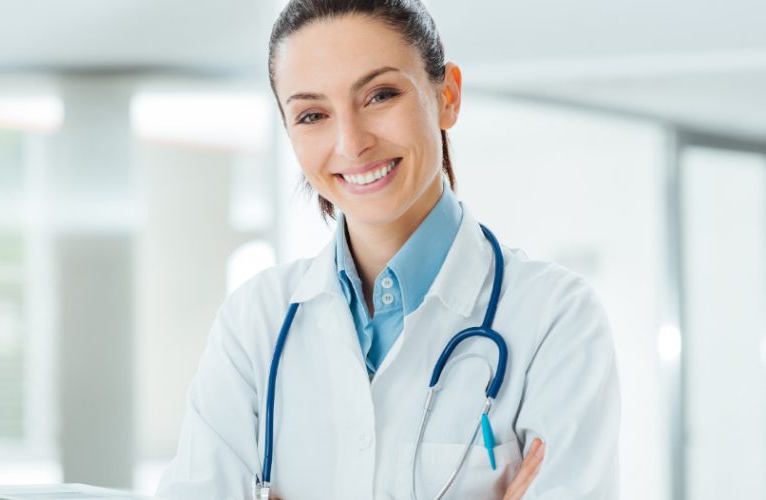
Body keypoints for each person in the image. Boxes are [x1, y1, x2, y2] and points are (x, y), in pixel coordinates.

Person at [155, 0, 621, 498]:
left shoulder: (555, 318)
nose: (352, 143)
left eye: (380, 95)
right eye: (313, 114)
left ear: (448, 96)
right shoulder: (256, 324)